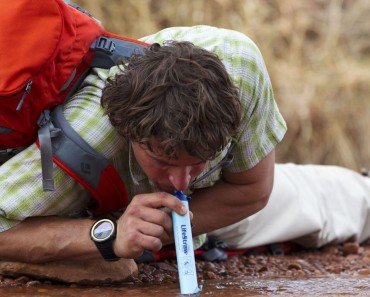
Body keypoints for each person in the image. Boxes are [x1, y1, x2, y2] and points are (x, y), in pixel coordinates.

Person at [0, 25, 286, 263]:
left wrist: (164, 229)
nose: (180, 181)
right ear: (128, 132)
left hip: (213, 201)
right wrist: (108, 235)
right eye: (164, 161)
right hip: (92, 194)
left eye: (199, 161)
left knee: (312, 206)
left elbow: (253, 189)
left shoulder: (242, 72)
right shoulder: (85, 145)